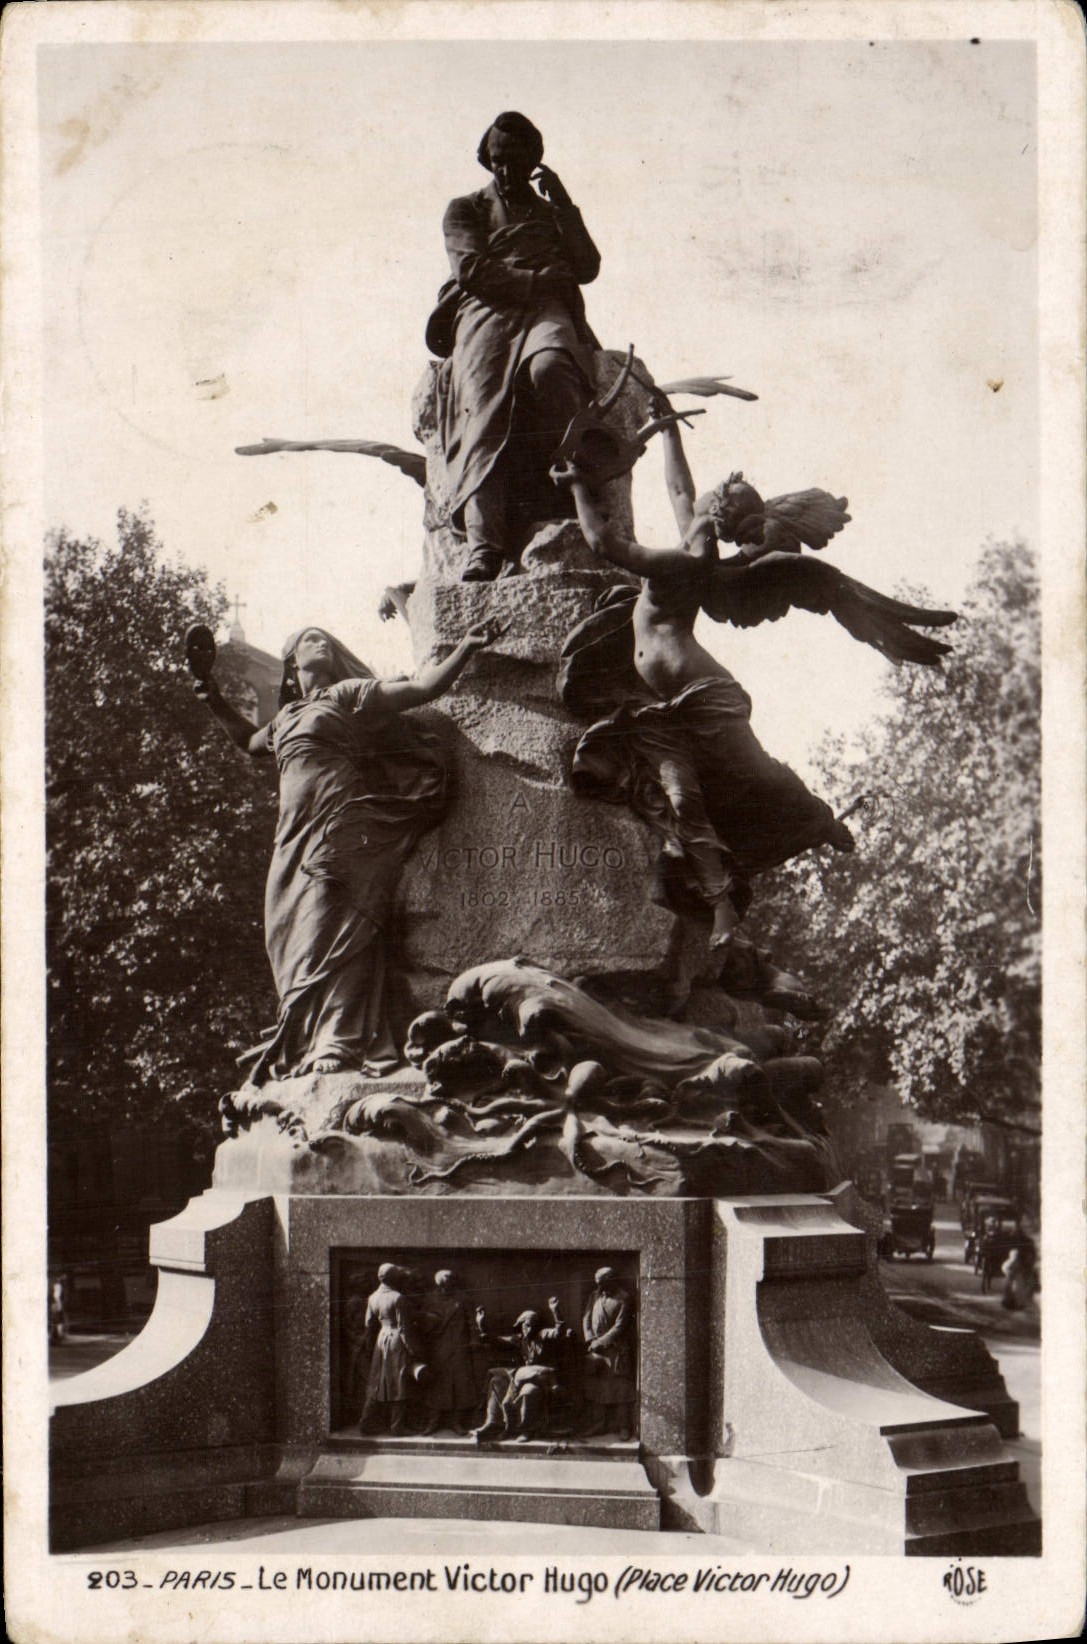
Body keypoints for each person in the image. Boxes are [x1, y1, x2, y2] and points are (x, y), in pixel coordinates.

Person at [195, 621, 497, 1081]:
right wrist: (212, 696)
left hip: (341, 825)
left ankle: (339, 1041)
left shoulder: (346, 694)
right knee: (286, 935)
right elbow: (247, 742)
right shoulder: (286, 718)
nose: (323, 643)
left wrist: (466, 648)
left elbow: (420, 688)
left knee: (333, 925)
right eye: (310, 639)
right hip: (292, 836)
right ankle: (306, 1039)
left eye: (327, 640)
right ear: (292, 664)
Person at [427, 111, 601, 582]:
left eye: (516, 161)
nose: (506, 170)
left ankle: (579, 500)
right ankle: (485, 544)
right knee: (481, 409)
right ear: (487, 159)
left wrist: (564, 204)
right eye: (498, 160)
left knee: (553, 370)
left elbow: (587, 267)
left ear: (533, 162)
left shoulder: (549, 214)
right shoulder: (465, 208)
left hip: (546, 309)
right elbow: (472, 271)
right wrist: (536, 277)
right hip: (486, 307)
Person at [472, 1298, 572, 1443]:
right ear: (521, 1325)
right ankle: (494, 1423)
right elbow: (495, 1340)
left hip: (542, 1380)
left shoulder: (543, 1335)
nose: (529, 1329)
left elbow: (559, 1332)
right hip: (522, 1376)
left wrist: (556, 1311)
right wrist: (481, 1325)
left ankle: (526, 1430)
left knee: (528, 1391)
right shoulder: (519, 1339)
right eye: (526, 1325)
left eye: (532, 1326)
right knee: (496, 1380)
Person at [357, 1264, 427, 1435]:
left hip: (381, 1341)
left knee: (377, 1383)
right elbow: (404, 1329)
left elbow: (368, 1325)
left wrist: (370, 1347)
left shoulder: (372, 1297)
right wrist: (414, 1351)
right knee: (399, 1382)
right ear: (394, 1278)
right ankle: (397, 1426)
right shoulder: (398, 1298)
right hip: (396, 1342)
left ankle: (365, 1422)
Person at [418, 1270, 479, 1435]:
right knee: (436, 1385)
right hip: (437, 1347)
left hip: (459, 1346)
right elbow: (423, 1321)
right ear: (438, 1285)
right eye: (443, 1286)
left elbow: (471, 1321)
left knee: (460, 1385)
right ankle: (433, 1421)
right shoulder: (429, 1298)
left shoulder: (463, 1298)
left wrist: (474, 1339)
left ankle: (456, 1422)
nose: (446, 1288)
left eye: (449, 1284)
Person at [580, 1267, 636, 1440]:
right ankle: (599, 1424)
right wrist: (590, 1339)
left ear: (611, 1280)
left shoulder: (624, 1298)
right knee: (598, 1389)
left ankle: (624, 1426)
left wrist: (600, 1342)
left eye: (602, 1283)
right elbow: (586, 1318)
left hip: (616, 1352)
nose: (599, 1287)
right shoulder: (594, 1296)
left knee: (620, 1390)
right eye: (597, 1284)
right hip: (597, 1352)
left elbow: (619, 1327)